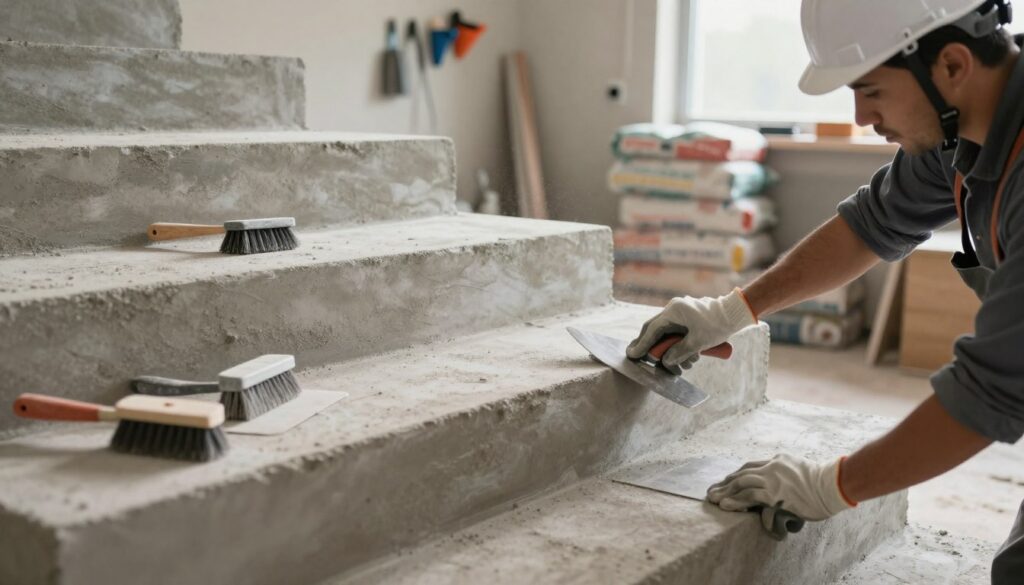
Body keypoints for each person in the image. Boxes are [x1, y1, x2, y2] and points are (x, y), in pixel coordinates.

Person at [625, 0, 1024, 580]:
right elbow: (870, 225)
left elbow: (988, 395)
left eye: (871, 91)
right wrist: (734, 310)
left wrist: (831, 486)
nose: (862, 116)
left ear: (954, 66)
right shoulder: (961, 134)